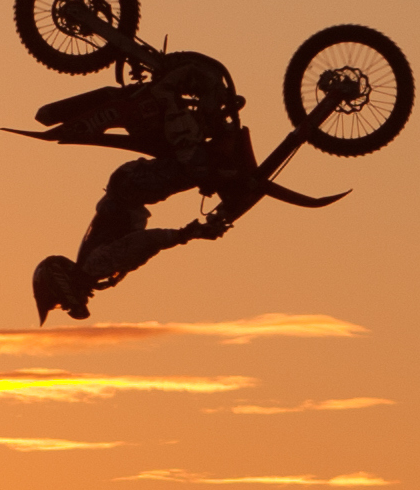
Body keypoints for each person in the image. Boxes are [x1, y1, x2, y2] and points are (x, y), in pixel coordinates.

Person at [31, 51, 259, 323]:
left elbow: (142, 242)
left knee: (194, 167)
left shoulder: (94, 267)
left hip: (131, 189)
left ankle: (167, 90)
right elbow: (141, 250)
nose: (64, 305)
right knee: (201, 168)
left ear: (60, 284)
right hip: (129, 187)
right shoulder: (96, 271)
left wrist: (186, 233)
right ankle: (210, 125)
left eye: (58, 302)